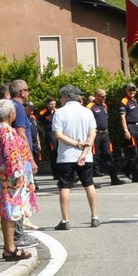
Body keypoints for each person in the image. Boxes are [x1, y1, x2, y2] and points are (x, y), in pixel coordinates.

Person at [0, 98, 38, 260]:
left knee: (7, 213)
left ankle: (8, 247)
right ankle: (10, 248)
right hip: (8, 180)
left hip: (2, 177)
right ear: (11, 114)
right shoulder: (5, 131)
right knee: (10, 212)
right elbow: (10, 155)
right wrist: (16, 175)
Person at [51, 84, 100, 230]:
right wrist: (84, 150)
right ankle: (94, 216)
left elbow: (58, 134)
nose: (60, 99)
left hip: (66, 156)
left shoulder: (60, 113)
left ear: (66, 96)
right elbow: (92, 133)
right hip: (85, 156)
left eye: (61, 96)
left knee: (65, 186)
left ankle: (65, 220)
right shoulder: (87, 112)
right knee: (89, 184)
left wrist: (76, 143)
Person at [114, 82, 138, 182]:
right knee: (133, 153)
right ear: (126, 90)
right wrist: (126, 130)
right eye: (130, 90)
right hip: (130, 127)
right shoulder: (124, 101)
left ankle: (127, 168)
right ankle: (135, 175)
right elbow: (122, 117)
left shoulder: (134, 100)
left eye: (134, 89)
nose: (132, 91)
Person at [89, 87, 118, 184]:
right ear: (97, 96)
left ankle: (114, 179)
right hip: (95, 135)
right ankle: (90, 181)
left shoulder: (104, 106)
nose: (104, 98)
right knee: (93, 156)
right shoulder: (90, 107)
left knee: (108, 155)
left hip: (105, 134)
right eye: (102, 96)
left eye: (105, 96)